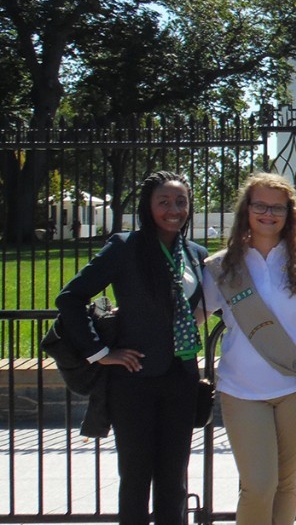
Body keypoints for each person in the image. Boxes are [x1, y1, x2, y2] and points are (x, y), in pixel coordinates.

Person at [55, 171, 209, 525]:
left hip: (181, 378)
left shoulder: (195, 253)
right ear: (148, 206)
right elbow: (70, 298)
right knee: (136, 477)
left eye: (181, 201)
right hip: (134, 378)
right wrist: (100, 353)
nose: (174, 209)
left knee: (174, 480)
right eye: (164, 202)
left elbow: (200, 306)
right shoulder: (126, 247)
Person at [202, 173, 296, 525]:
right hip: (242, 389)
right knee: (258, 485)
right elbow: (191, 319)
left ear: (289, 213)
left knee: (285, 484)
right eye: (260, 205)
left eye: (277, 207)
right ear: (246, 208)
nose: (268, 214)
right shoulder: (223, 265)